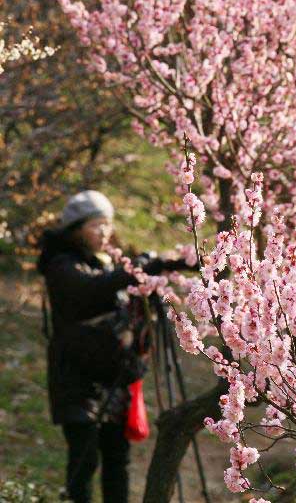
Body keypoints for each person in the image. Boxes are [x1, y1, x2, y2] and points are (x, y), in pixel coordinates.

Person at [37, 190, 190, 503]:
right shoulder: (61, 265)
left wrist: (164, 266)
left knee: (117, 460)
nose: (104, 232)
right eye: (96, 224)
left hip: (114, 376)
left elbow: (117, 290)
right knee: (85, 458)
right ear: (76, 228)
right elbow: (91, 290)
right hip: (76, 378)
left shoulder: (105, 262)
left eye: (107, 224)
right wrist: (135, 270)